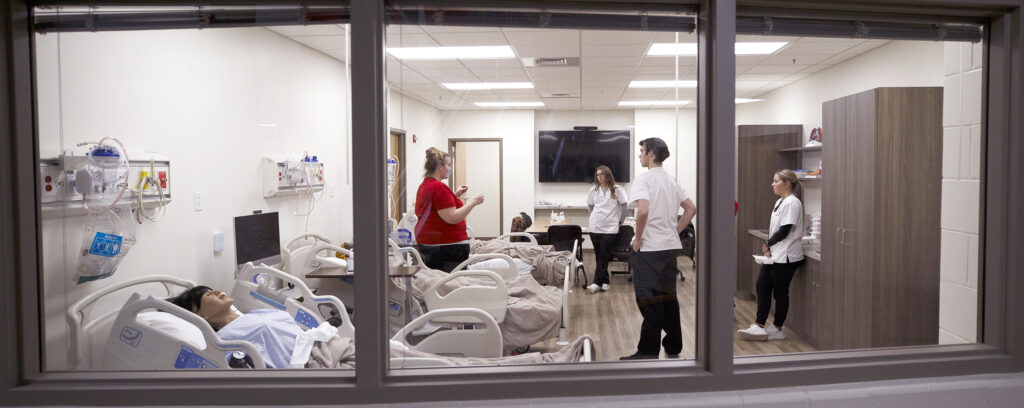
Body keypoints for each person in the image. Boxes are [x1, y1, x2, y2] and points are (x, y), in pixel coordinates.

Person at [621, 137, 697, 360]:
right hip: (669, 249)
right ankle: (673, 345)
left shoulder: (643, 180)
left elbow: (642, 211)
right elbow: (691, 209)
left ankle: (647, 352)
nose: (640, 155)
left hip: (649, 249)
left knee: (649, 300)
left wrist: (637, 238)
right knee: (668, 297)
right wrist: (675, 230)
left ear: (652, 154)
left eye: (642, 151)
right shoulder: (672, 180)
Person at [738, 169, 805, 341]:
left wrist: (767, 243)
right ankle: (759, 325)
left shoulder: (792, 202)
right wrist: (769, 247)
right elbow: (776, 229)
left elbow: (784, 230)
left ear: (787, 183)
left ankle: (777, 328)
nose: (772, 184)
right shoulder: (780, 202)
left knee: (780, 293)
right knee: (762, 285)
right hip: (777, 254)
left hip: (788, 256)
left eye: (776, 181)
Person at [413, 147, 484, 271]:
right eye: (449, 165)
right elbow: (451, 217)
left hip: (432, 245)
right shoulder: (439, 187)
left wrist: (455, 195)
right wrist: (473, 202)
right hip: (446, 247)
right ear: (440, 167)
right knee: (453, 282)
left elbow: (438, 209)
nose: (450, 169)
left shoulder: (425, 185)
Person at [585, 165, 628, 294]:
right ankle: (605, 281)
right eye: (597, 175)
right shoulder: (593, 190)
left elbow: (624, 206)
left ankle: (596, 282)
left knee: (604, 255)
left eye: (602, 174)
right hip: (595, 226)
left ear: (607, 175)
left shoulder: (618, 189)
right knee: (599, 256)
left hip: (610, 227)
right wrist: (595, 216)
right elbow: (590, 205)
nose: (599, 177)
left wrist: (621, 221)